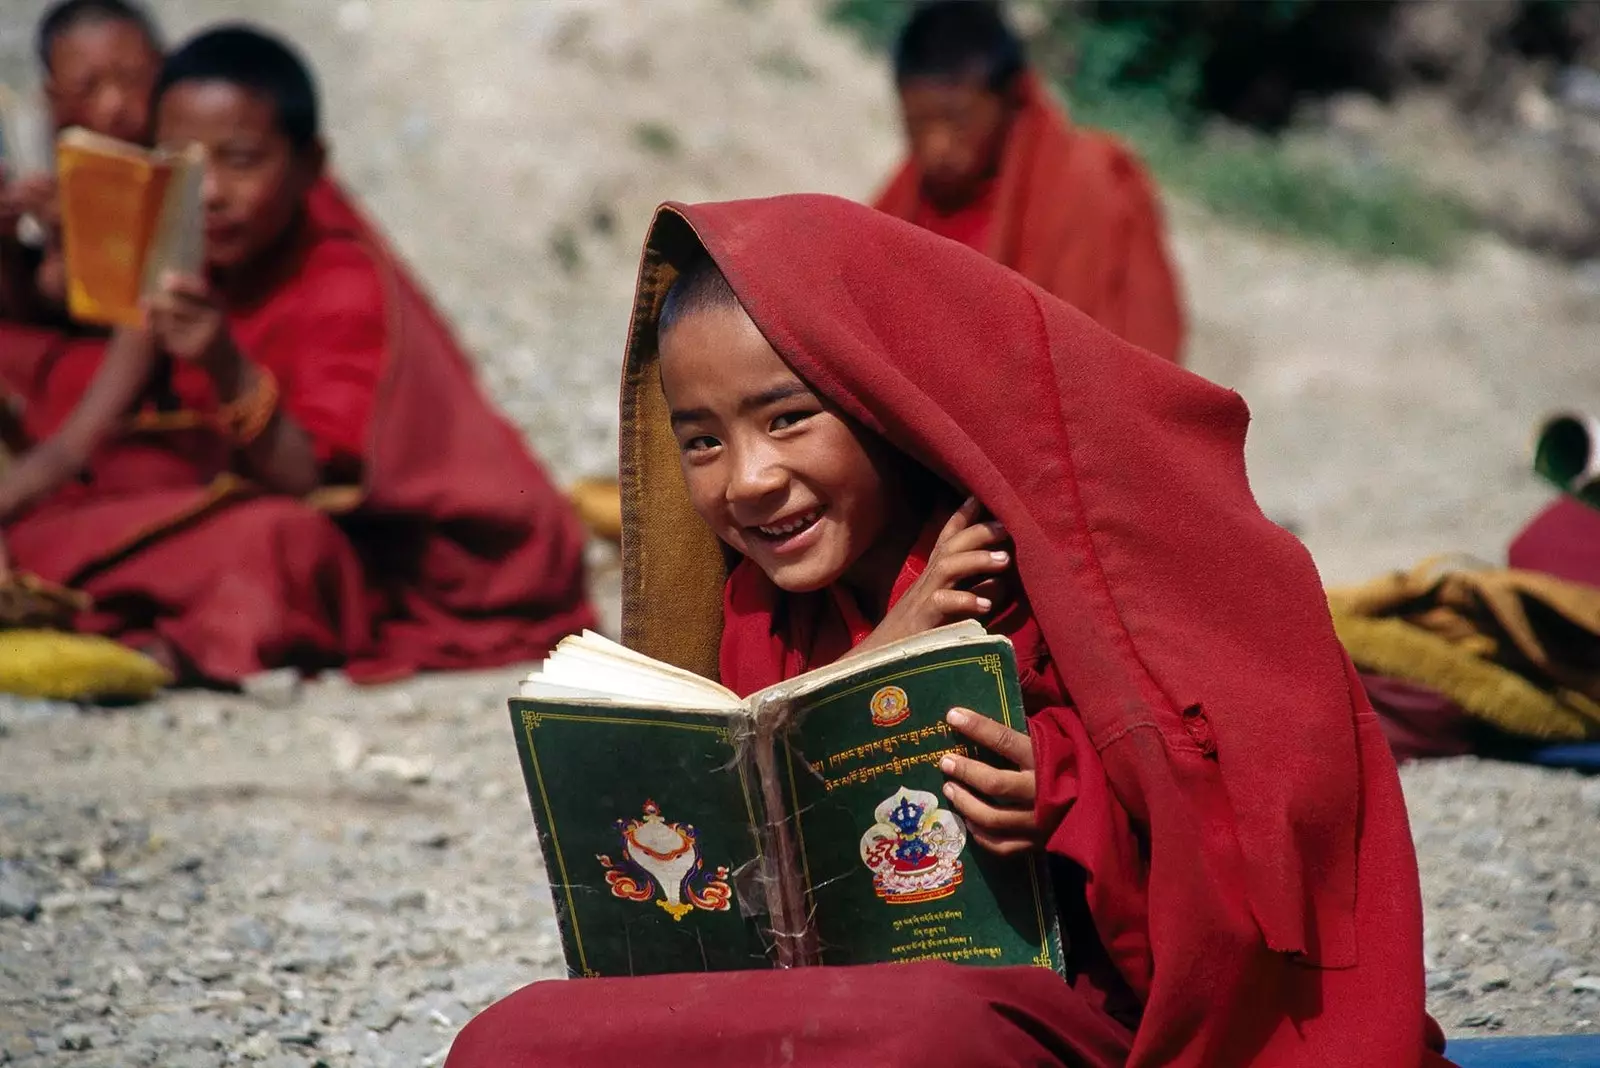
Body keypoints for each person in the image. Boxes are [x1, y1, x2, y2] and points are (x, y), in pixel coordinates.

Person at [445, 195, 1449, 1067]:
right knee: (507, 1039)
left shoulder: (1022, 577)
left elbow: (1230, 822)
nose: (746, 480)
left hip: (1012, 1017)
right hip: (805, 1016)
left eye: (787, 419)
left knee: (920, 1036)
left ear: (884, 404)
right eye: (701, 441)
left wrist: (1052, 790)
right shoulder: (754, 609)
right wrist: (885, 650)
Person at [0, 25, 594, 683]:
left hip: (379, 552)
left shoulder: (339, 277)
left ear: (310, 165)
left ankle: (171, 639)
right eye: (181, 164)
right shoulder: (177, 249)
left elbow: (310, 483)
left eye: (242, 160)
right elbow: (80, 437)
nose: (210, 192)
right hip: (219, 500)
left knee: (279, 547)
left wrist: (226, 366)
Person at [871, 0, 1185, 363]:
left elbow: (1135, 354)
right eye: (916, 124)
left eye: (957, 122)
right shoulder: (918, 189)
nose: (936, 146)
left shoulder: (1087, 185)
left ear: (1010, 97)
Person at [1, 0, 164, 327]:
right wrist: (6, 244)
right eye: (86, 87)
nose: (114, 104)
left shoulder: (192, 161)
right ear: (53, 97)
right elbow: (32, 314)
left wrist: (84, 232)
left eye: (133, 78)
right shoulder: (48, 163)